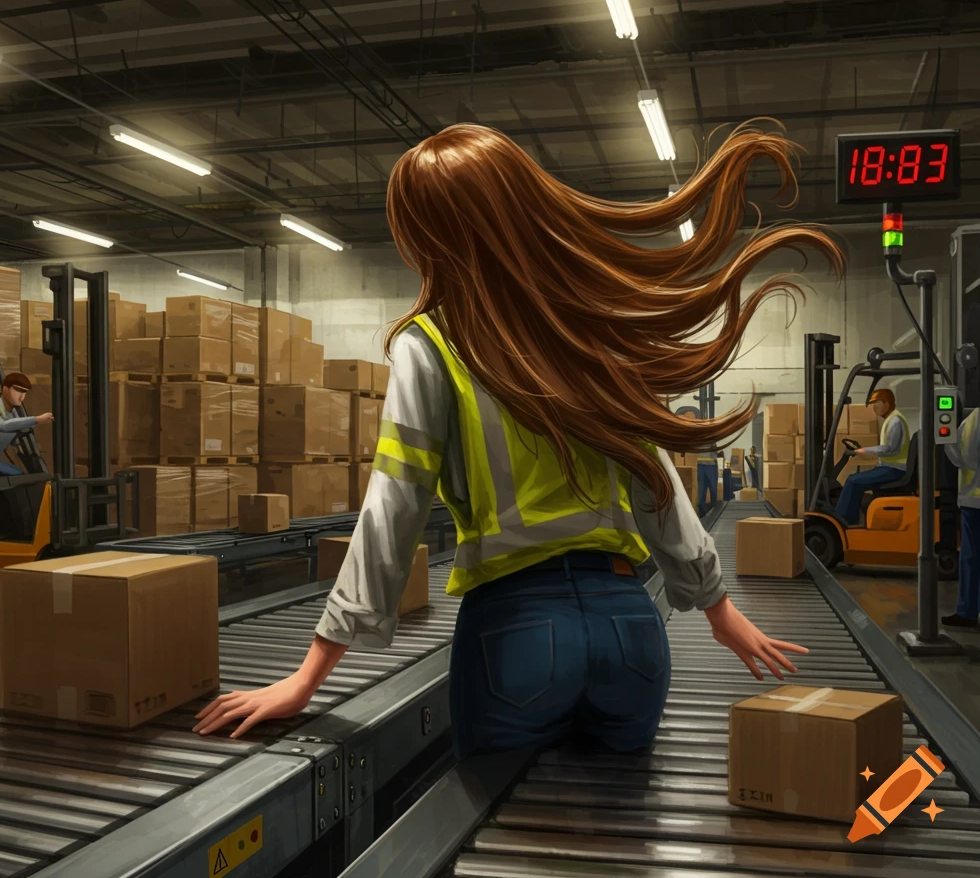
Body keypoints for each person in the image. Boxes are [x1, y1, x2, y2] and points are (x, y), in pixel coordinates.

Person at [194, 122, 845, 752]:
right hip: (631, 633)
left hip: (515, 634)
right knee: (626, 814)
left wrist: (308, 676)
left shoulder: (432, 343)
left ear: (429, 236)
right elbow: (654, 478)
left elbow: (394, 506)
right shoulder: (587, 332)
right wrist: (717, 609)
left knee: (496, 817)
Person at [835, 389, 909, 527]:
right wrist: (864, 452)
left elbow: (889, 448)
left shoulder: (895, 421)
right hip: (890, 467)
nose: (874, 407)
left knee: (853, 481)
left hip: (894, 470)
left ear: (887, 403)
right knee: (855, 479)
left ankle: (844, 522)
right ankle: (851, 518)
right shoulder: (891, 419)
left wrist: (863, 450)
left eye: (877, 403)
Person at [943, 408, 979, 629]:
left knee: (971, 557)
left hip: (972, 500)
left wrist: (945, 437)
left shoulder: (972, 420)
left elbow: (959, 458)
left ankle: (967, 612)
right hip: (972, 500)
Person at [696, 450, 718, 516]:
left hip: (711, 466)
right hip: (700, 465)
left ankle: (713, 512)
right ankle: (703, 513)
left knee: (713, 490)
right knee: (701, 492)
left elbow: (720, 449)